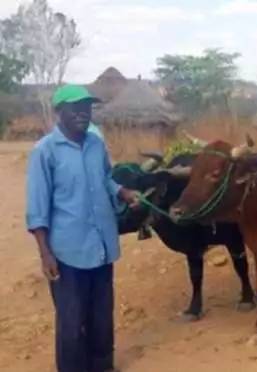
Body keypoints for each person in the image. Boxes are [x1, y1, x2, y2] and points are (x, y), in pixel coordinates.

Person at [25, 84, 139, 372]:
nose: (83, 113)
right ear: (58, 111)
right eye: (75, 108)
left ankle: (102, 366)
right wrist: (45, 254)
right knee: (72, 320)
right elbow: (37, 209)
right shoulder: (45, 152)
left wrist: (122, 191)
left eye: (87, 108)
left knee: (102, 315)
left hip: (101, 247)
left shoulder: (95, 144)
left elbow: (104, 179)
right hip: (68, 253)